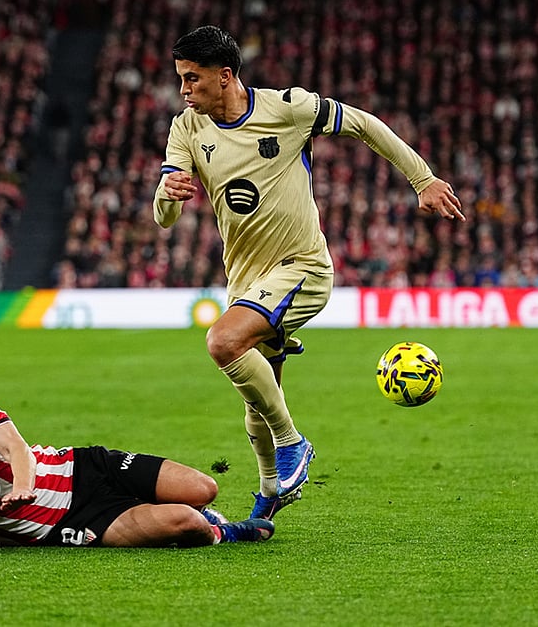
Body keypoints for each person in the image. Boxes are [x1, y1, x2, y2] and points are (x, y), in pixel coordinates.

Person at [153, 26, 465, 520]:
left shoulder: (289, 109)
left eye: (192, 79)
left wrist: (422, 178)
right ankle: (268, 501)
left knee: (222, 342)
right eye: (181, 80)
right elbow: (166, 216)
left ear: (226, 76)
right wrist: (165, 198)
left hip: (302, 268)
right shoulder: (187, 129)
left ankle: (292, 442)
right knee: (258, 397)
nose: (184, 90)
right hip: (245, 280)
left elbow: (365, 124)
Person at [0, 349, 274, 557]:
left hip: (82, 467)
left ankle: (199, 516)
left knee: (203, 488)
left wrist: (22, 485)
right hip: (74, 522)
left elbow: (14, 446)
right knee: (186, 519)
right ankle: (223, 532)